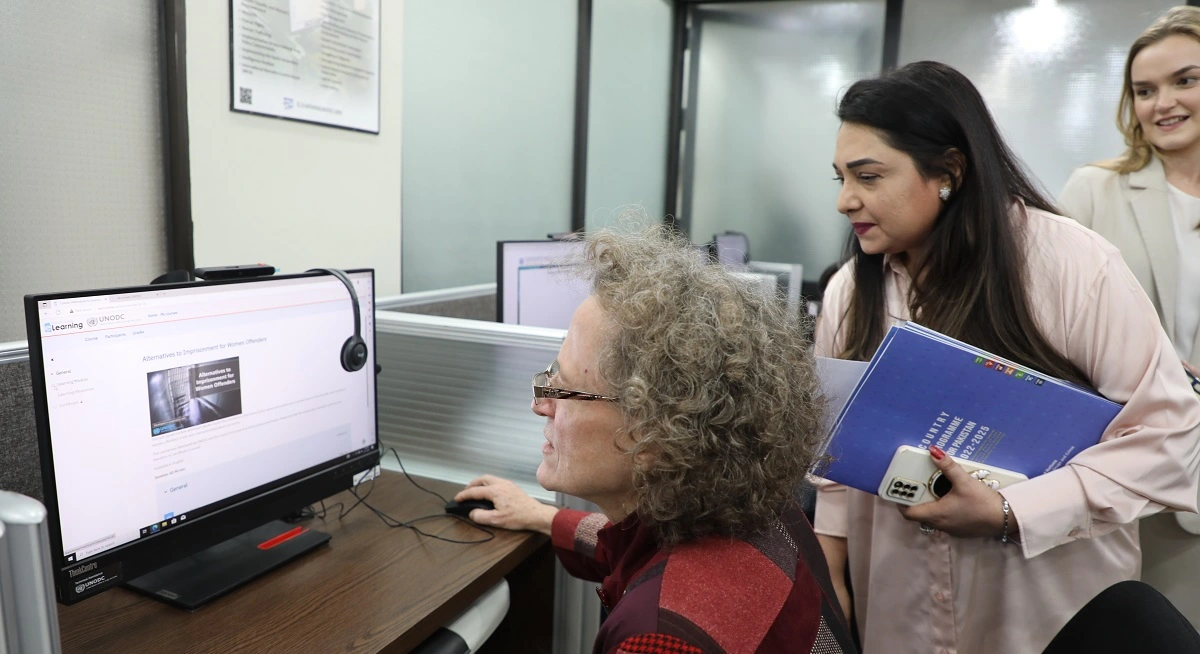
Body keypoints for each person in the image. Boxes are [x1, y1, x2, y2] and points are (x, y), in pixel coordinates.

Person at [816, 60, 1200, 654]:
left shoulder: (1072, 265)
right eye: (840, 177)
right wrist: (831, 574)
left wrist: (1009, 511)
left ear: (949, 171)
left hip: (1049, 607)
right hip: (898, 608)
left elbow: (1168, 435)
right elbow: (834, 462)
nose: (846, 200)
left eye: (868, 176)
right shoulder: (851, 291)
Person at [453, 224, 856, 653]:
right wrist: (542, 517)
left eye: (563, 388)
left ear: (656, 435)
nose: (540, 405)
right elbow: (632, 549)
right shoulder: (765, 514)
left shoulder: (659, 640)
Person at [1059, 5, 1200, 394]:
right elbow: (1047, 324)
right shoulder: (1093, 188)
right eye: (1145, 91)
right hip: (1123, 427)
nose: (1163, 103)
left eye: (1185, 81)